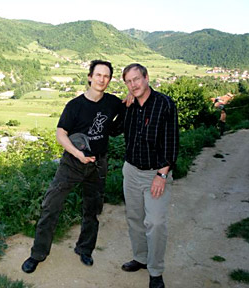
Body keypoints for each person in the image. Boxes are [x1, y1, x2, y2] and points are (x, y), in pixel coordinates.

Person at [21, 60, 124, 273]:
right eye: (98, 75)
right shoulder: (75, 106)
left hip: (98, 164)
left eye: (106, 76)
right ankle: (37, 254)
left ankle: (84, 249)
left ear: (109, 80)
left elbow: (126, 106)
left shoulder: (113, 103)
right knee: (51, 205)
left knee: (92, 209)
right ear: (89, 77)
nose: (102, 79)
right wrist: (78, 154)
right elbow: (61, 134)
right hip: (72, 163)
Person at [111, 63, 179, 288]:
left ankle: (156, 271)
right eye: (128, 82)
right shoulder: (129, 106)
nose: (133, 85)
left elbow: (171, 144)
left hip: (155, 173)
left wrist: (162, 174)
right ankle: (140, 258)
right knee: (134, 218)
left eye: (136, 79)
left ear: (146, 77)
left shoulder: (165, 104)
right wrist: (121, 106)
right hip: (131, 171)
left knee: (156, 222)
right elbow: (113, 130)